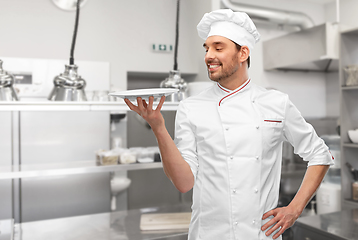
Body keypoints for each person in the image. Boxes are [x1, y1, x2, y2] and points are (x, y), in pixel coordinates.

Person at [125, 9, 334, 240]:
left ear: (243, 52)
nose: (208, 55)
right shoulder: (191, 107)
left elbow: (319, 154)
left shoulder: (276, 103)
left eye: (218, 47)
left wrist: (295, 209)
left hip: (259, 234)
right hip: (208, 233)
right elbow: (184, 183)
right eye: (206, 48)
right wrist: (158, 127)